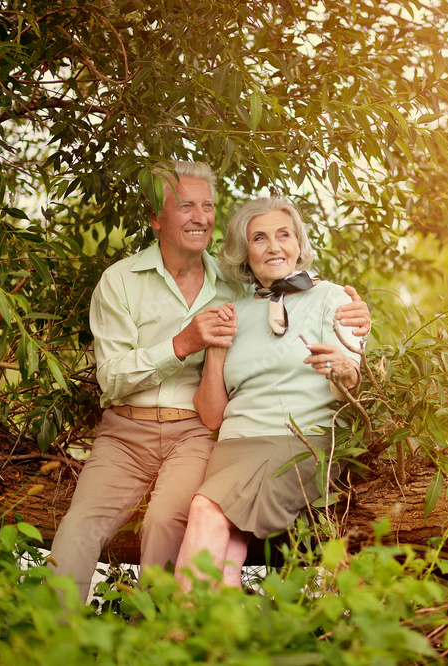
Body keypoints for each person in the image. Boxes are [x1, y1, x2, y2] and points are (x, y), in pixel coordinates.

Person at [47, 163, 371, 603]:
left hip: (200, 435)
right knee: (80, 527)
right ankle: (57, 629)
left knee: (169, 522)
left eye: (207, 206)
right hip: (143, 431)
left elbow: (337, 348)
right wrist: (188, 344)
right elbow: (115, 380)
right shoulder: (134, 284)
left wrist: (352, 346)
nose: (200, 217)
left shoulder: (254, 289)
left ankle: (159, 628)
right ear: (155, 217)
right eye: (186, 206)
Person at [174, 195, 363, 590]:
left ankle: (179, 621)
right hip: (234, 446)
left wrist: (345, 370)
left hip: (300, 440)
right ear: (245, 253)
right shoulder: (234, 312)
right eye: (259, 238)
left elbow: (349, 384)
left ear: (298, 244)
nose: (274, 246)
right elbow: (211, 416)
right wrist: (216, 350)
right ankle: (219, 626)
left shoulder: (333, 298)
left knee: (206, 509)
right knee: (227, 551)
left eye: (284, 235)